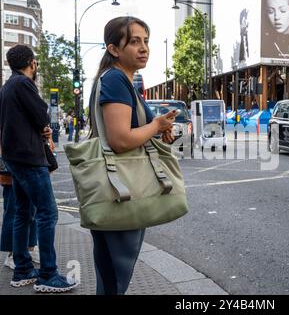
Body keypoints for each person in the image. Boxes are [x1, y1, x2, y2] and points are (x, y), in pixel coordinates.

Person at [89, 16, 177, 295]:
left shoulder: (120, 79)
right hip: (120, 188)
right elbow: (119, 140)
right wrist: (156, 125)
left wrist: (157, 128)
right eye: (134, 41)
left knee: (112, 273)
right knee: (115, 275)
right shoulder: (116, 79)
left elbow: (131, 130)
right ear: (114, 49)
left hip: (121, 186)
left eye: (146, 41)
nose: (144, 48)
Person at [0, 44, 76, 292]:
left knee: (23, 211)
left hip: (14, 157)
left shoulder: (7, 86)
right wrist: (43, 126)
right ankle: (48, 275)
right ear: (31, 63)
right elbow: (42, 113)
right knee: (47, 213)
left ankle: (22, 269)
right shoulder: (23, 83)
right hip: (29, 157)